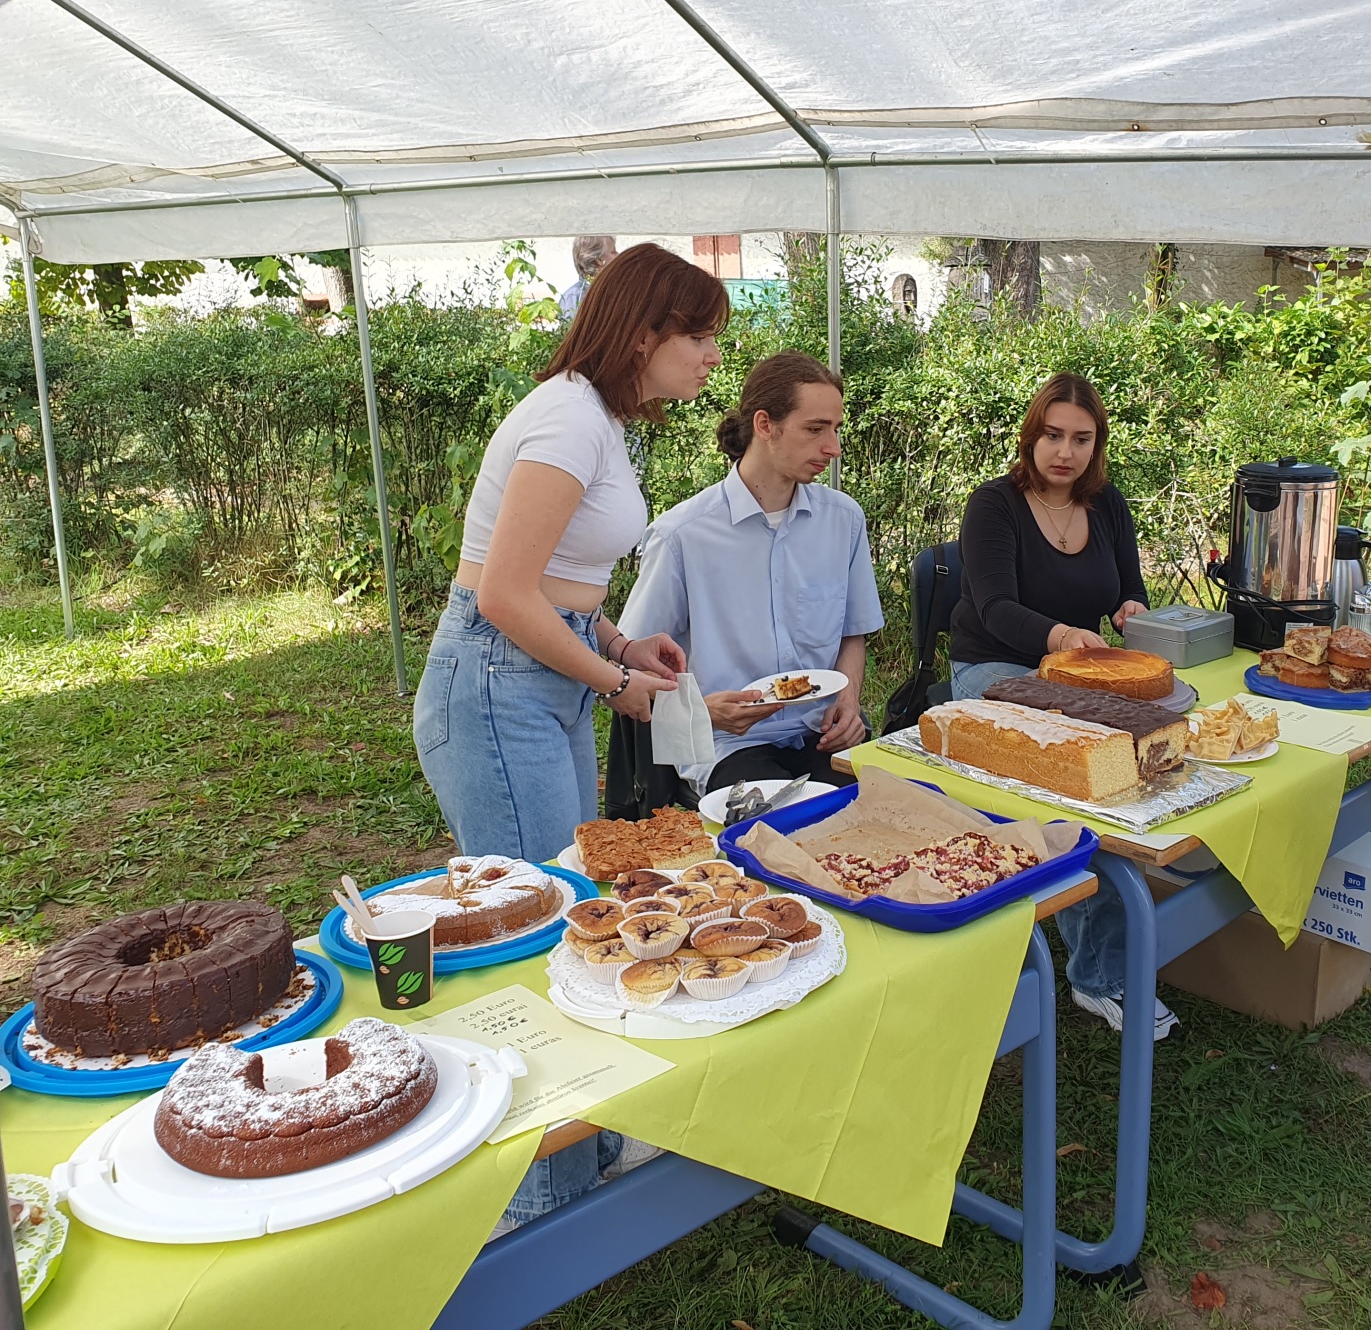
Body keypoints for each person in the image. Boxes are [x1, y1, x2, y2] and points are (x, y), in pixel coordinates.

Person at [410, 242, 726, 1232]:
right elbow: (501, 594)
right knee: (534, 932)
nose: (714, 357)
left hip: (532, 684)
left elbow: (554, 587)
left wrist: (617, 638)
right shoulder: (564, 419)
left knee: (559, 910)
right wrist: (618, 681)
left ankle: (566, 1160)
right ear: (646, 334)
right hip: (497, 686)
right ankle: (537, 1195)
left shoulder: (593, 422)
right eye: (702, 337)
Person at [946, 373, 1173, 1041]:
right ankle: (1100, 975)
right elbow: (993, 606)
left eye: (1080, 438)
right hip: (993, 668)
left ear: (1097, 444)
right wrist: (1061, 636)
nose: (1064, 452)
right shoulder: (994, 505)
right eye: (1052, 435)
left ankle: (1106, 937)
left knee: (1144, 755)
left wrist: (1132, 610)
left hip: (1080, 675)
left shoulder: (1107, 506)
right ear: (1031, 435)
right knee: (1075, 774)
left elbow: (1130, 589)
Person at [617, 351, 883, 797]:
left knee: (896, 819)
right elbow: (630, 665)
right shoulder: (682, 536)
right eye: (816, 429)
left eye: (836, 429)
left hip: (824, 733)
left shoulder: (844, 520)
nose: (833, 447)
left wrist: (849, 697)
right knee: (792, 830)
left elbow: (853, 633)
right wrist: (703, 712)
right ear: (765, 425)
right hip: (729, 745)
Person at [558, 234, 617, 322]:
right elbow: (569, 332)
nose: (618, 255)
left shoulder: (613, 291)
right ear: (599, 260)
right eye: (613, 251)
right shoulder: (574, 297)